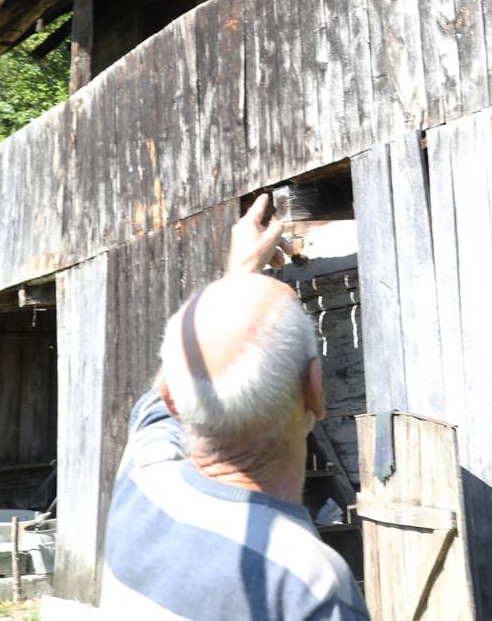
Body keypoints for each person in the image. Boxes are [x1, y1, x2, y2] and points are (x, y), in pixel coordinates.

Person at [100, 194, 369, 619]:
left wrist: (240, 273)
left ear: (173, 400)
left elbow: (166, 390)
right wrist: (242, 273)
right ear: (316, 391)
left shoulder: (142, 486)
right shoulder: (307, 585)